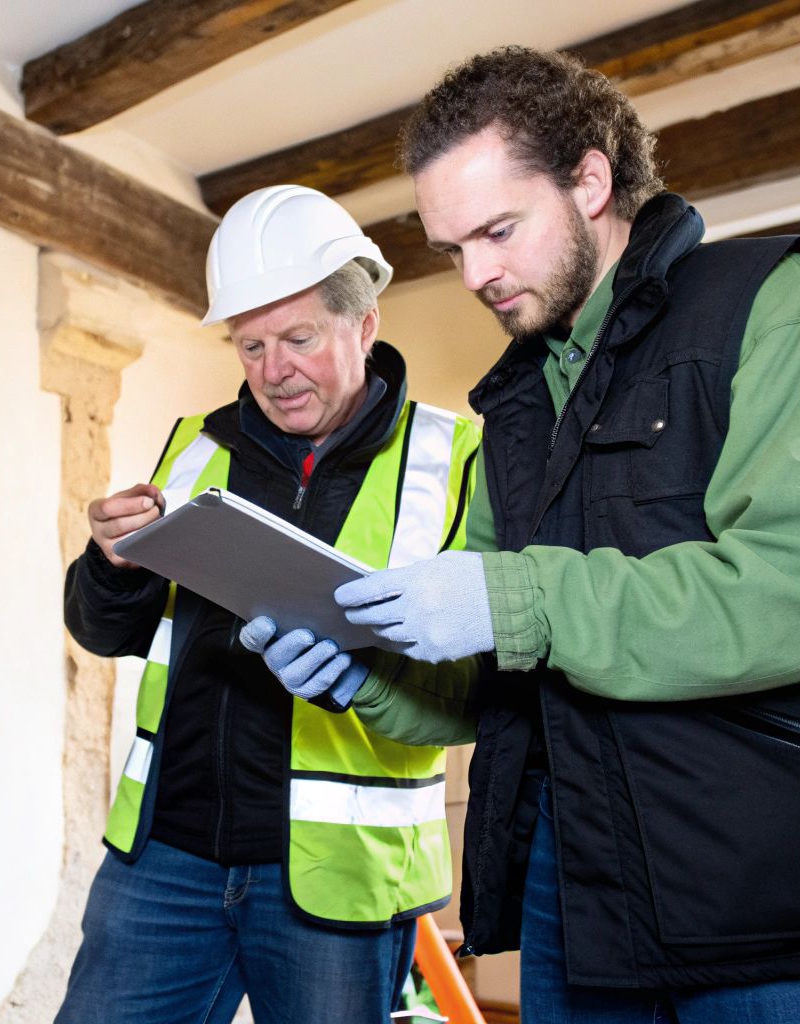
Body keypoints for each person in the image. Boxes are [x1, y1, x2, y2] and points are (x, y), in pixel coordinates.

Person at [248, 46, 800, 1023]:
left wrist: (516, 597)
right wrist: (361, 673)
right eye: (451, 248)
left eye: (496, 230)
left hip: (775, 895)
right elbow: (509, 678)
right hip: (579, 896)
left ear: (590, 179)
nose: (474, 274)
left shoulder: (779, 305)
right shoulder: (511, 405)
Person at [55, 184, 483, 1023]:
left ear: (364, 325)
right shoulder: (196, 446)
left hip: (338, 883)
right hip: (164, 862)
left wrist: (356, 673)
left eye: (298, 338)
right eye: (250, 345)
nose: (273, 371)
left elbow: (478, 691)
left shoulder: (455, 459)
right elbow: (104, 631)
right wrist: (109, 564)